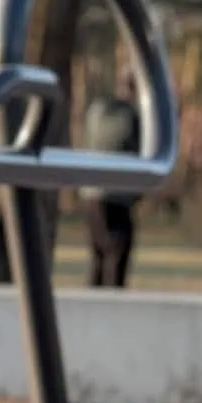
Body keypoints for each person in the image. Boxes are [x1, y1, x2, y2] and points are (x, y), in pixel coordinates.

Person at [80, 69, 142, 289]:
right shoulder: (132, 116)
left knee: (98, 256)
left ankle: (91, 306)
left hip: (90, 194)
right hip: (116, 194)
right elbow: (140, 152)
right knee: (117, 255)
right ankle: (112, 306)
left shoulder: (97, 111)